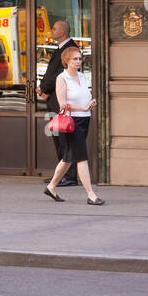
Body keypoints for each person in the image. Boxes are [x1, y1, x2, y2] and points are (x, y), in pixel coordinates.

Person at [43, 46, 104, 205]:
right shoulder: (62, 78)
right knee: (81, 157)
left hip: (84, 119)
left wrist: (91, 102)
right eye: (75, 59)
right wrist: (82, 108)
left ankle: (51, 187)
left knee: (68, 157)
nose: (78, 61)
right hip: (72, 122)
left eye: (79, 58)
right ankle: (91, 194)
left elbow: (84, 95)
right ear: (67, 61)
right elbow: (62, 105)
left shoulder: (82, 76)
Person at [38, 20, 80, 187]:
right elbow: (52, 74)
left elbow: (59, 75)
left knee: (64, 139)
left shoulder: (70, 49)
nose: (51, 31)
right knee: (58, 138)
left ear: (62, 31)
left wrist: (42, 89)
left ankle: (69, 176)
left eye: (54, 28)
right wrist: (44, 89)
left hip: (62, 103)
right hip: (54, 101)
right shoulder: (61, 49)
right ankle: (61, 175)